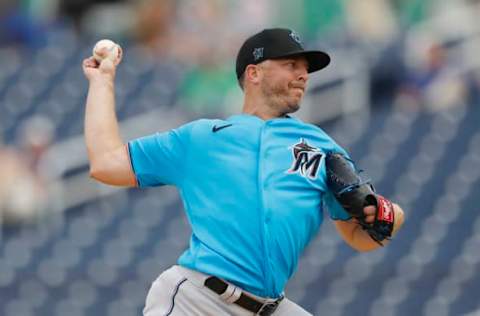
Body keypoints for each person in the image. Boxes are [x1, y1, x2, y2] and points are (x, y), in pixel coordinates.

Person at [82, 28, 405, 316]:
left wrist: (385, 214)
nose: (303, 74)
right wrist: (102, 81)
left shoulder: (321, 147)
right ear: (254, 73)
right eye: (291, 65)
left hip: (270, 306)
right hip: (198, 300)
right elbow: (106, 164)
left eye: (306, 69)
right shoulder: (201, 137)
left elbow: (360, 237)